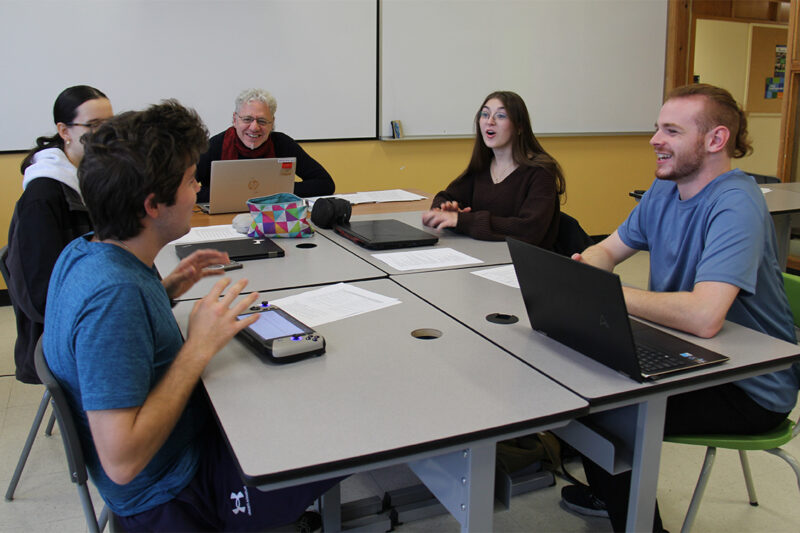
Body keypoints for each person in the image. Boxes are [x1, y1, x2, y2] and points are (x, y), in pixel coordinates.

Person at [43, 100, 339, 531]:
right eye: (188, 181)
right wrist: (198, 347)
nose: (197, 187)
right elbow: (122, 462)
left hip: (178, 453)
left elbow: (113, 341)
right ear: (152, 205)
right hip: (174, 492)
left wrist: (166, 290)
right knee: (340, 432)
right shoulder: (115, 298)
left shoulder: (86, 251)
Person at [560, 84, 800, 532]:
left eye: (671, 130)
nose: (655, 139)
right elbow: (605, 252)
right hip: (686, 355)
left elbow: (704, 317)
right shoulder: (664, 189)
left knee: (602, 410)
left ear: (715, 140)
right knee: (574, 379)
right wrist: (589, 270)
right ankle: (613, 497)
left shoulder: (736, 204)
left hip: (750, 385)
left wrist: (606, 295)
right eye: (657, 128)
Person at [6, 85, 112, 384]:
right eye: (93, 126)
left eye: (110, 125)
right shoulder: (44, 194)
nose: (106, 135)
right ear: (64, 131)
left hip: (90, 308)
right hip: (60, 334)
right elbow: (40, 297)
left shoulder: (91, 177)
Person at [421, 90, 565, 247]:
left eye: (501, 116)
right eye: (485, 114)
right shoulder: (482, 167)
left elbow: (529, 230)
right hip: (484, 256)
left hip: (523, 264)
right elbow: (445, 197)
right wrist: (446, 210)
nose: (490, 121)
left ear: (519, 127)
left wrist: (463, 220)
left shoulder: (540, 173)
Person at [196, 88, 335, 203]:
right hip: (221, 220)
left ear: (272, 123)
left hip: (272, 217)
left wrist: (278, 191)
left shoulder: (283, 144)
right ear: (235, 119)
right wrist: (231, 195)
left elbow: (325, 184)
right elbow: (181, 189)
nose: (254, 127)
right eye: (247, 119)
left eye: (262, 121)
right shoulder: (214, 146)